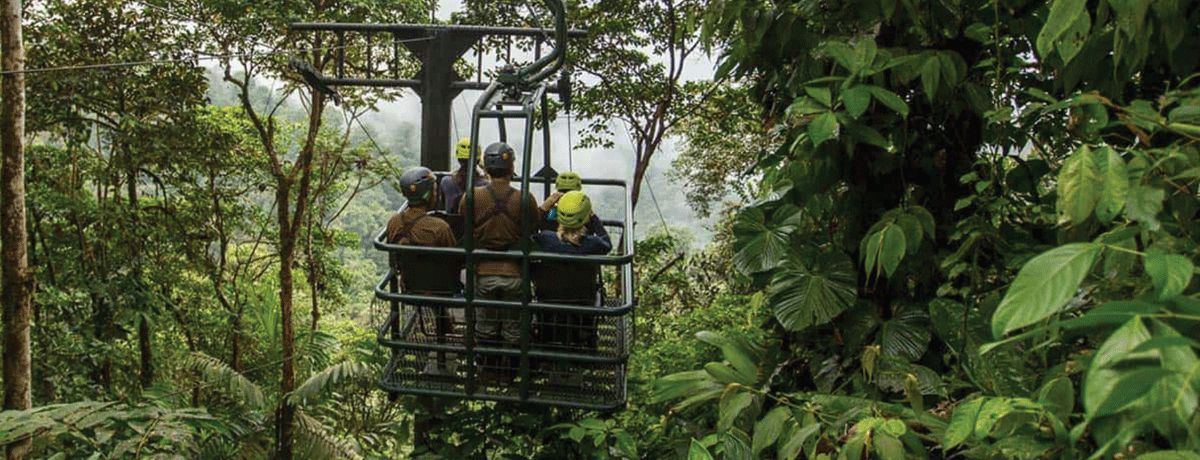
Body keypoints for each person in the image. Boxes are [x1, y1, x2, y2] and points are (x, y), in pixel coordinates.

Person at [458, 142, 542, 351]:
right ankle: (512, 368)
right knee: (514, 326)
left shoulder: (471, 197)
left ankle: (488, 366)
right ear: (512, 168)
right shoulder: (524, 198)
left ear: (485, 168)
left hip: (483, 271)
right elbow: (533, 225)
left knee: (485, 324)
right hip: (514, 272)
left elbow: (464, 223)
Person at [388, 167, 456, 248]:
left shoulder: (394, 221)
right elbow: (455, 257)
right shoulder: (440, 228)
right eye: (434, 191)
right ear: (427, 195)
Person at [533, 191, 611, 255]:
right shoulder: (594, 243)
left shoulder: (545, 238)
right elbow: (607, 243)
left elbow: (528, 231)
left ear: (559, 216)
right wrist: (593, 216)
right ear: (586, 218)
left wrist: (543, 208)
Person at [539, 171, 605, 235]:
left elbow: (538, 226)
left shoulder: (552, 212)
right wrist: (589, 212)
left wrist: (544, 207)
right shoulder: (583, 215)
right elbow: (596, 232)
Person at [440, 137, 489, 213]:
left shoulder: (446, 182)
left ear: (458, 159)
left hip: (453, 224)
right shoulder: (484, 185)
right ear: (478, 160)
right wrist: (485, 169)